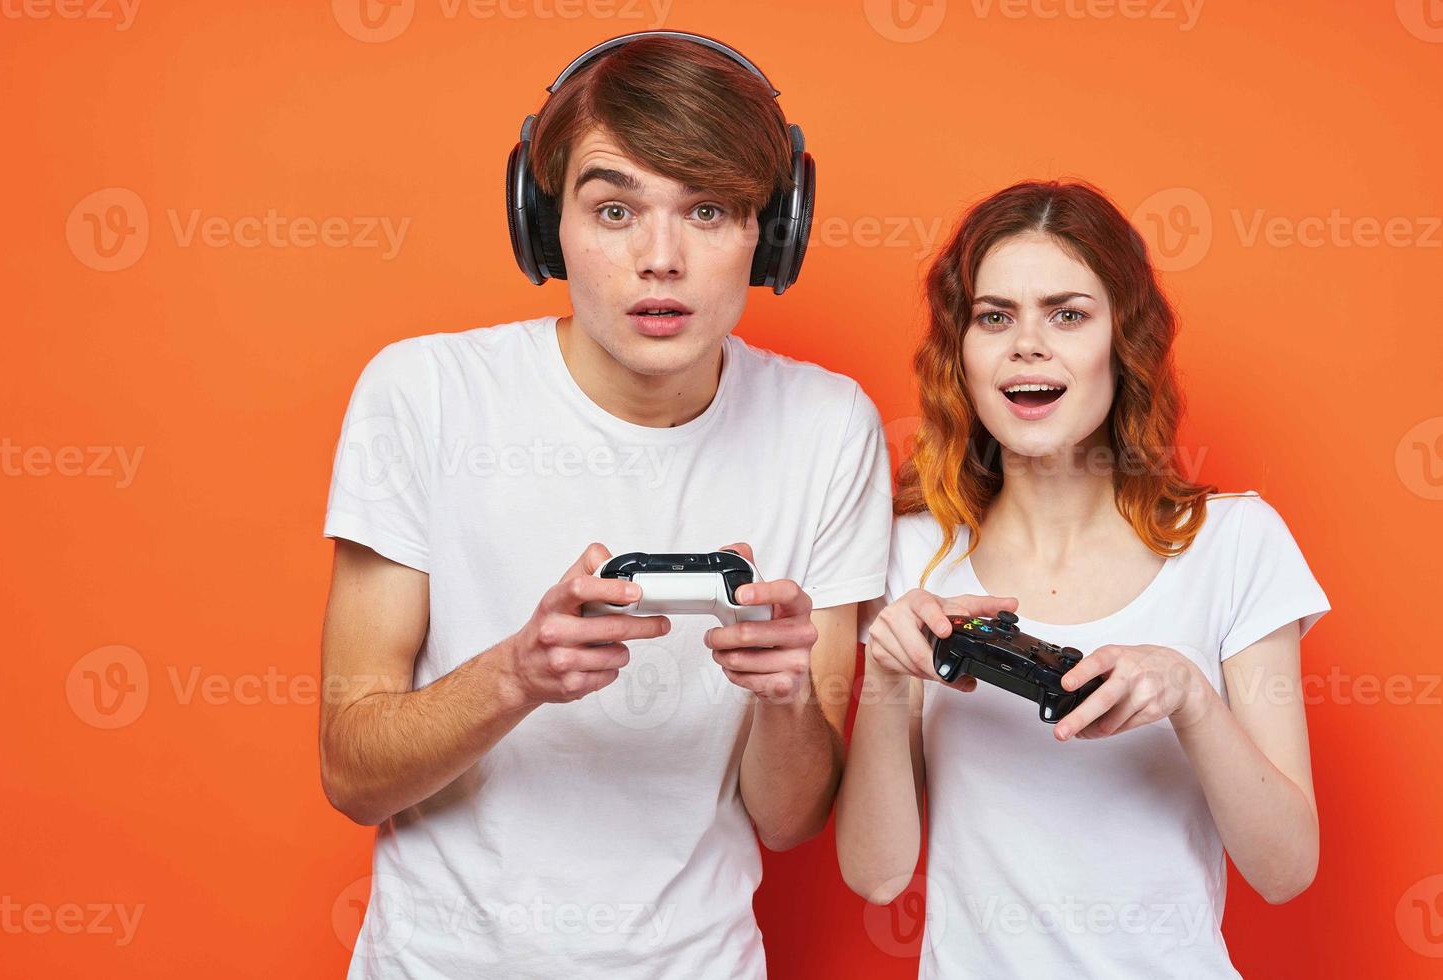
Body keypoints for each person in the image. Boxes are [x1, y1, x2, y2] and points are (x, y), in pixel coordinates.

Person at [318, 31, 891, 979]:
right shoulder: (423, 393)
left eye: (706, 210)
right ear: (546, 228)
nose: (659, 259)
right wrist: (516, 675)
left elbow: (788, 824)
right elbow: (351, 772)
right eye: (615, 208)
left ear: (771, 232)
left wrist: (787, 698)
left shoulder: (829, 427)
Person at [836, 180, 1329, 978]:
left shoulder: (1234, 543)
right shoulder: (912, 554)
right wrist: (890, 679)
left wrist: (1190, 698)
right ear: (961, 351)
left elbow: (1286, 870)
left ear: (1122, 340)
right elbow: (876, 873)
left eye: (1068, 314)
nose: (1028, 345)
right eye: (995, 317)